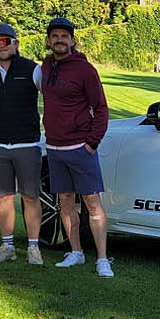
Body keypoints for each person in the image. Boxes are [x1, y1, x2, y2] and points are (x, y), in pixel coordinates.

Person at [40, 17, 113, 277]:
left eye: (64, 36)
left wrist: (92, 143)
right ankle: (76, 252)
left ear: (72, 40)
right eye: (54, 36)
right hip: (54, 148)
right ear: (49, 41)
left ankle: (102, 259)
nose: (59, 40)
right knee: (65, 202)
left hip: (80, 147)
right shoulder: (46, 66)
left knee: (93, 202)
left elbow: (102, 109)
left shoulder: (85, 70)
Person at [0, 23, 44, 264]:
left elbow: (54, 97)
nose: (1, 46)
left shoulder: (32, 70)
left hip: (27, 143)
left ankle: (33, 248)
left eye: (6, 41)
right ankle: (7, 247)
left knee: (30, 196)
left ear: (16, 43)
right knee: (4, 197)